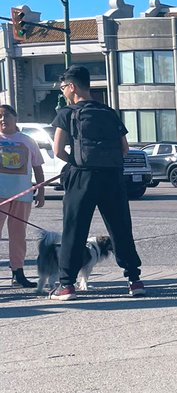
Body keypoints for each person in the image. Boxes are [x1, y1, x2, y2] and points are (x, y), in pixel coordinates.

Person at [50, 66, 144, 300]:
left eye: (63, 88)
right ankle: (134, 280)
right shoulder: (109, 112)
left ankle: (66, 285)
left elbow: (57, 150)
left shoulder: (66, 113)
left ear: (72, 86)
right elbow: (124, 148)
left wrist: (75, 162)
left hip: (82, 176)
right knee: (120, 227)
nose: (63, 93)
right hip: (112, 176)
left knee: (75, 228)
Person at [0, 103, 45, 287]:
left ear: (15, 118)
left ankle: (17, 272)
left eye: (6, 115)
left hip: (21, 195)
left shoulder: (27, 140)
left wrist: (40, 192)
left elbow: (38, 168)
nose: (3, 119)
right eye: (0, 116)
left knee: (18, 236)